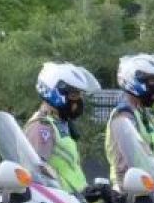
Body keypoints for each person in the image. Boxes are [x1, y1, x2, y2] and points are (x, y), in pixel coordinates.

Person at [24, 62, 100, 194]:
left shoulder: (59, 124)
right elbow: (37, 174)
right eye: (74, 95)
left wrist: (87, 191)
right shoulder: (42, 127)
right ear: (54, 92)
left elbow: (67, 171)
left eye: (79, 95)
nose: (78, 101)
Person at [104, 53, 154, 187]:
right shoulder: (123, 117)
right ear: (134, 80)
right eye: (153, 80)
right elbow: (135, 158)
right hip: (131, 193)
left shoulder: (145, 115)